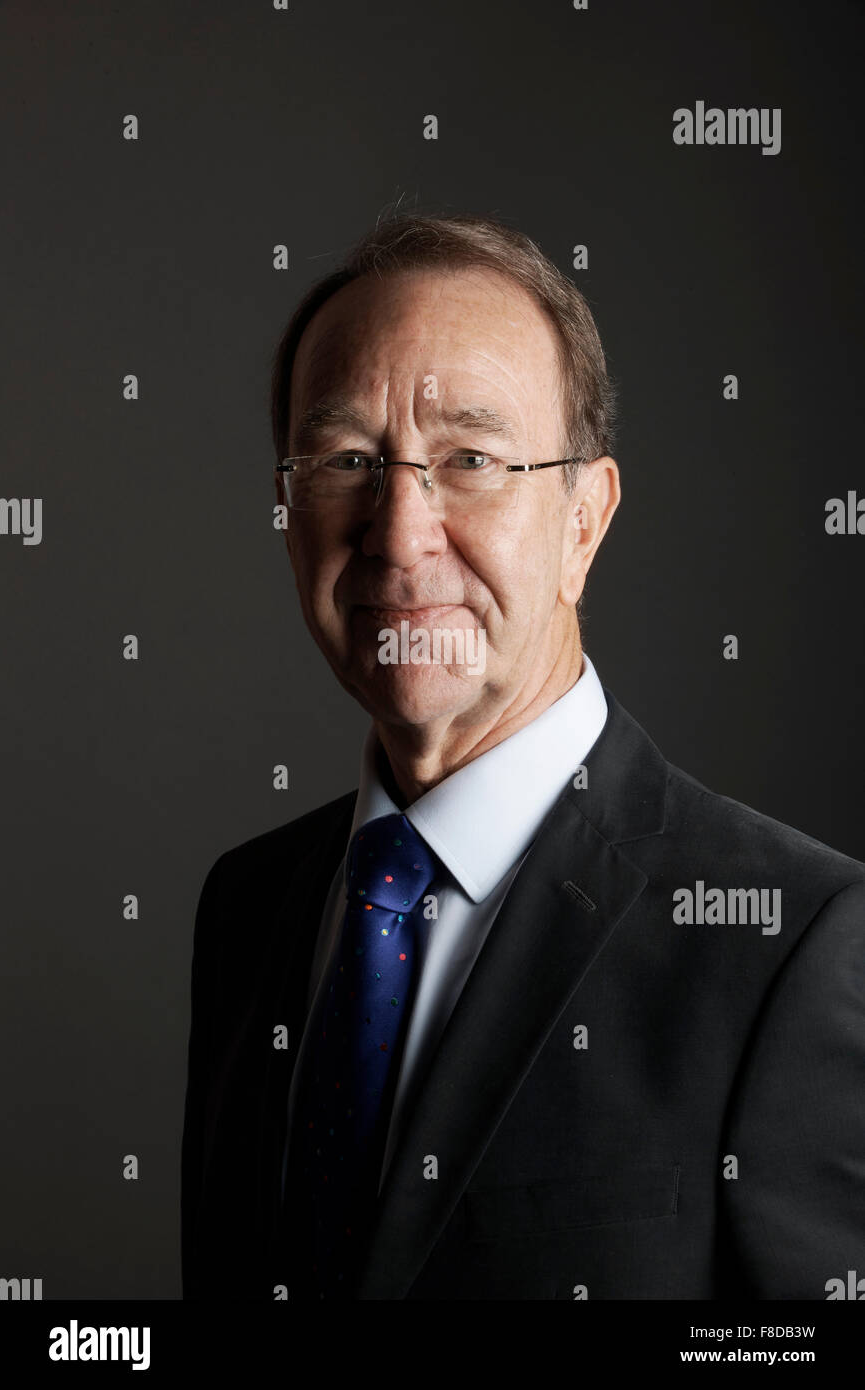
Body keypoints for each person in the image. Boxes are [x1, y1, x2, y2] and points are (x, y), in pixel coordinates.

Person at [181, 212, 865, 1301]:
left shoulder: (796, 944)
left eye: (470, 458)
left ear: (582, 522)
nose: (399, 533)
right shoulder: (250, 907)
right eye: (348, 461)